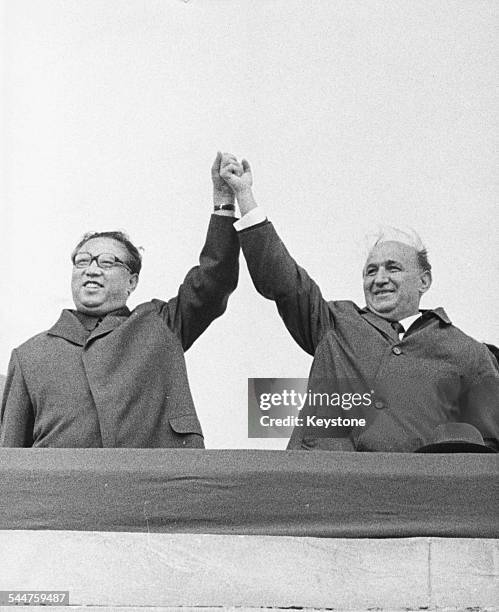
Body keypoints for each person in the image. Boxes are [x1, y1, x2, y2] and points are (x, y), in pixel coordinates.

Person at [219, 154, 499, 452]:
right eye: (370, 271)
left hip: (415, 494)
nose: (379, 279)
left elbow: (489, 448)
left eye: (393, 268)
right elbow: (285, 281)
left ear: (424, 281)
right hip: (329, 486)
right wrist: (245, 195)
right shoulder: (336, 324)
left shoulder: (467, 352)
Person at [0, 153, 240, 448]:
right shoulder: (30, 355)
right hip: (65, 493)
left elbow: (214, 281)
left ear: (132, 281)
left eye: (107, 262)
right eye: (83, 261)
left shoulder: (160, 324)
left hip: (157, 488)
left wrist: (224, 203)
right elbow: (8, 460)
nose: (91, 269)